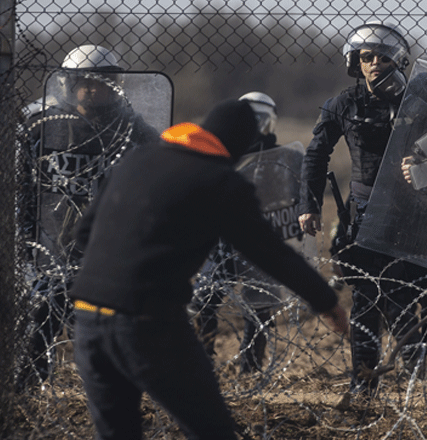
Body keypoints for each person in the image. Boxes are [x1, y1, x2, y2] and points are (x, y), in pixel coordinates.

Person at [70, 99, 348, 440]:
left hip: (86, 317)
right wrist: (326, 302)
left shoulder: (137, 160)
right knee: (212, 431)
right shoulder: (220, 182)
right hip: (147, 322)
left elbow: (83, 234)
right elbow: (270, 252)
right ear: (238, 147)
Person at [298, 20, 427, 403]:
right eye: (365, 57)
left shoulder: (426, 101)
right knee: (366, 305)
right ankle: (363, 388)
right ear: (355, 63)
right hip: (366, 217)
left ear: (399, 60)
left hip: (421, 217)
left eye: (382, 56)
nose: (374, 63)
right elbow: (316, 154)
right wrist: (308, 206)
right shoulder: (345, 103)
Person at [16, 44, 162, 389]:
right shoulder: (42, 125)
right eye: (83, 82)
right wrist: (24, 235)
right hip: (52, 241)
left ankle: (107, 388)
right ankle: (27, 386)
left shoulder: (135, 131)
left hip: (109, 246)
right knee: (43, 317)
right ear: (67, 83)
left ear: (116, 84)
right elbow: (21, 184)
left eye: (101, 82)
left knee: (102, 327)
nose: (91, 89)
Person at [189, 91, 308, 373]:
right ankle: (200, 360)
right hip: (222, 241)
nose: (255, 127)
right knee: (205, 298)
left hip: (263, 239)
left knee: (259, 306)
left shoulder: (286, 157)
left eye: (261, 120)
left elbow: (297, 195)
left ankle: (251, 367)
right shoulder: (221, 154)